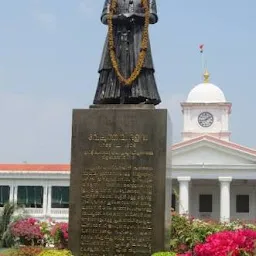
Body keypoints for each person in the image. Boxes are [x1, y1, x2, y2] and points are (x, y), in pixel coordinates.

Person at [93, 0, 161, 105]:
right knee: (112, 65)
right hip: (116, 36)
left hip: (138, 37)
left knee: (141, 64)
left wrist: (136, 16)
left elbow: (153, 17)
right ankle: (109, 95)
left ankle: (141, 95)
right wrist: (118, 18)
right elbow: (104, 17)